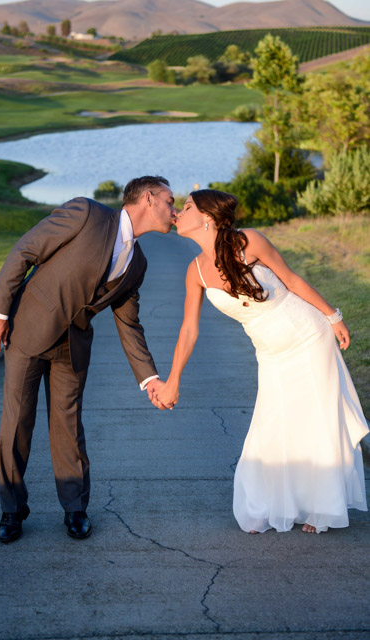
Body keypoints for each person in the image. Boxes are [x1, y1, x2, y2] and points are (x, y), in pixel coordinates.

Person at [154, 189, 369, 534]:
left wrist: (333, 316)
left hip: (308, 336)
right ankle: (265, 505)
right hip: (269, 352)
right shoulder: (194, 271)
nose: (179, 211)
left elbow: (292, 279)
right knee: (274, 422)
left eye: (188, 206)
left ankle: (320, 507)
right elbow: (188, 330)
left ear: (207, 217)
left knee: (315, 418)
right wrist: (173, 380)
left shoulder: (249, 241)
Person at [0, 176, 175, 543]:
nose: (174, 209)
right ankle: (12, 510)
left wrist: (150, 378)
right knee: (17, 425)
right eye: (169, 200)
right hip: (29, 330)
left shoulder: (138, 264)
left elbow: (129, 325)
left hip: (73, 347)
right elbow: (26, 249)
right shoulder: (86, 213)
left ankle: (75, 510)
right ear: (149, 199)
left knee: (69, 428)